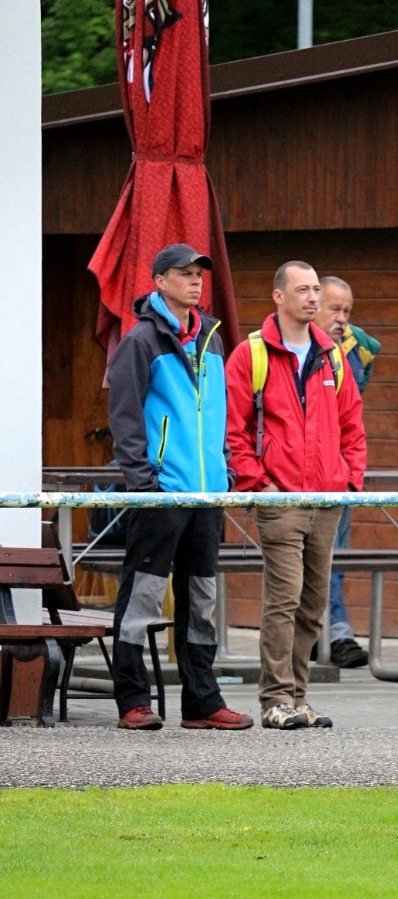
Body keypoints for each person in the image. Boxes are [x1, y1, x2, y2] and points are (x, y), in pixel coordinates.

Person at [107, 243, 253, 732]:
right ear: (160, 281)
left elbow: (219, 412)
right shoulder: (139, 342)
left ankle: (201, 702)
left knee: (201, 600)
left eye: (199, 274)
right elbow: (125, 418)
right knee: (142, 599)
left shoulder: (212, 338)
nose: (195, 281)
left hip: (207, 494)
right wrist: (145, 484)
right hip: (162, 493)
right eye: (185, 273)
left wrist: (225, 469)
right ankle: (133, 700)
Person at [225, 261, 367, 730]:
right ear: (278, 296)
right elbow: (233, 430)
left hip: (327, 500)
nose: (312, 297)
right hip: (279, 499)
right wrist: (259, 484)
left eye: (315, 289)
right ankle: (276, 698)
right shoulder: (252, 354)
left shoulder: (333, 356)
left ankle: (298, 697)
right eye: (302, 289)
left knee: (312, 603)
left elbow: (353, 426)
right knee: (283, 599)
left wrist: (349, 482)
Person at [313, 276, 381, 668]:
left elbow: (352, 420)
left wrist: (352, 476)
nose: (342, 319)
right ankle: (322, 631)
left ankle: (333, 631)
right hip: (294, 480)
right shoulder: (289, 350)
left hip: (337, 475)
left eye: (347, 311)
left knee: (334, 557)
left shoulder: (356, 351)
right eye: (335, 309)